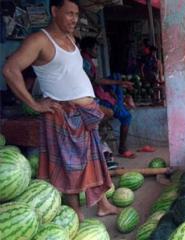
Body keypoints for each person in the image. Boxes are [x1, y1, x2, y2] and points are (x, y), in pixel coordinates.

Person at [2, 0, 118, 221]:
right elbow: (10, 69)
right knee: (70, 166)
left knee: (93, 162)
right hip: (62, 115)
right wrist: (34, 104)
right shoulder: (39, 40)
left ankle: (103, 204)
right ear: (54, 12)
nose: (74, 19)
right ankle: (76, 214)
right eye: (69, 14)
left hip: (84, 115)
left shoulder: (71, 40)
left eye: (76, 14)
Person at [80, 37, 136, 158]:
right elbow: (95, 81)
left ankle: (120, 106)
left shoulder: (88, 60)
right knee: (126, 117)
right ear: (88, 49)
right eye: (95, 49)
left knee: (116, 78)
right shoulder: (84, 62)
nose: (96, 51)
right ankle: (122, 148)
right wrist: (119, 84)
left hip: (97, 95)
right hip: (92, 99)